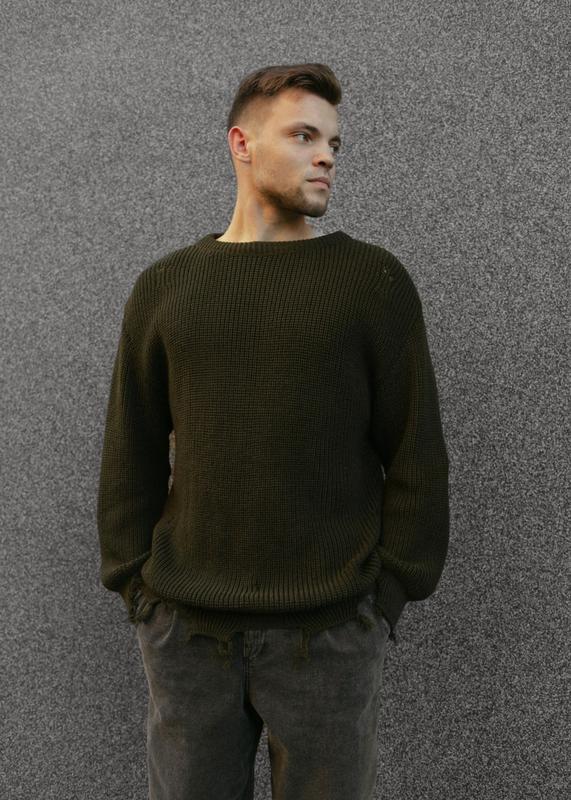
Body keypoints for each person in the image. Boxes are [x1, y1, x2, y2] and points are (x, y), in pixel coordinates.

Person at [97, 62, 450, 800]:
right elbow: (131, 451)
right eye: (303, 136)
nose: (325, 156)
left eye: (333, 143)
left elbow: (416, 453)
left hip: (330, 635)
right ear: (242, 144)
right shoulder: (166, 286)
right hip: (187, 637)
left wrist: (386, 598)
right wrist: (136, 588)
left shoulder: (372, 282)